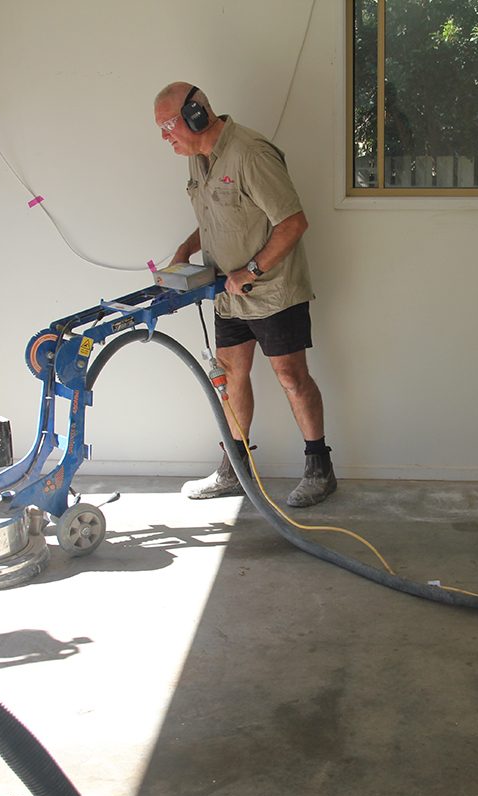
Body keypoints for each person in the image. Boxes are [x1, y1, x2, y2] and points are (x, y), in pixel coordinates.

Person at [153, 82, 336, 507]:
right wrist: (186, 248)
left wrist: (252, 269)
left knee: (291, 377)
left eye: (168, 125)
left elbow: (293, 222)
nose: (164, 137)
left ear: (196, 115)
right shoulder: (198, 159)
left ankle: (320, 469)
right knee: (231, 375)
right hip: (228, 292)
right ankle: (234, 470)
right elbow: (220, 214)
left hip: (272, 291)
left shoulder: (251, 154)